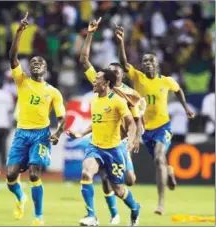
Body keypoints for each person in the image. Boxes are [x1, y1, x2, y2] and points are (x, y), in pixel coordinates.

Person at [115, 24, 195, 215]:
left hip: (162, 126)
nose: (148, 63)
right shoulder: (138, 77)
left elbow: (179, 90)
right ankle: (169, 171)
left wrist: (186, 108)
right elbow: (124, 64)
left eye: (151, 60)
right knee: (159, 161)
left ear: (157, 64)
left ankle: (161, 203)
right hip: (145, 129)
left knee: (159, 156)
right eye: (145, 61)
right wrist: (121, 43)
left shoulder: (166, 81)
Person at [79, 19, 145, 225]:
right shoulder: (99, 89)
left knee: (125, 184)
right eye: (109, 70)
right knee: (90, 173)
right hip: (98, 143)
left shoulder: (128, 95)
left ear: (121, 75)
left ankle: (134, 207)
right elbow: (84, 59)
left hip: (120, 144)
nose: (112, 72)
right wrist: (90, 34)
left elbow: (137, 121)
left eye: (116, 71)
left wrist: (134, 139)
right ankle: (98, 215)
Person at [6, 12, 66, 226]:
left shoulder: (53, 92)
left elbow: (62, 118)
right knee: (11, 175)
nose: (36, 64)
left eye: (40, 62)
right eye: (32, 62)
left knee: (34, 173)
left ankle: (38, 215)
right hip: (21, 133)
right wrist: (19, 32)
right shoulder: (21, 81)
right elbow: (12, 57)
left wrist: (58, 133)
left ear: (46, 69)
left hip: (41, 134)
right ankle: (20, 198)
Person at [66, 68, 140, 227]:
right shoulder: (94, 101)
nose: (93, 81)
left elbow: (131, 123)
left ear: (106, 83)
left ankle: (135, 208)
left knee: (119, 190)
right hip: (95, 147)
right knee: (86, 172)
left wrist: (131, 139)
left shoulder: (118, 101)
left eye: (97, 78)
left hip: (114, 150)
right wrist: (80, 134)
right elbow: (97, 123)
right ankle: (91, 216)